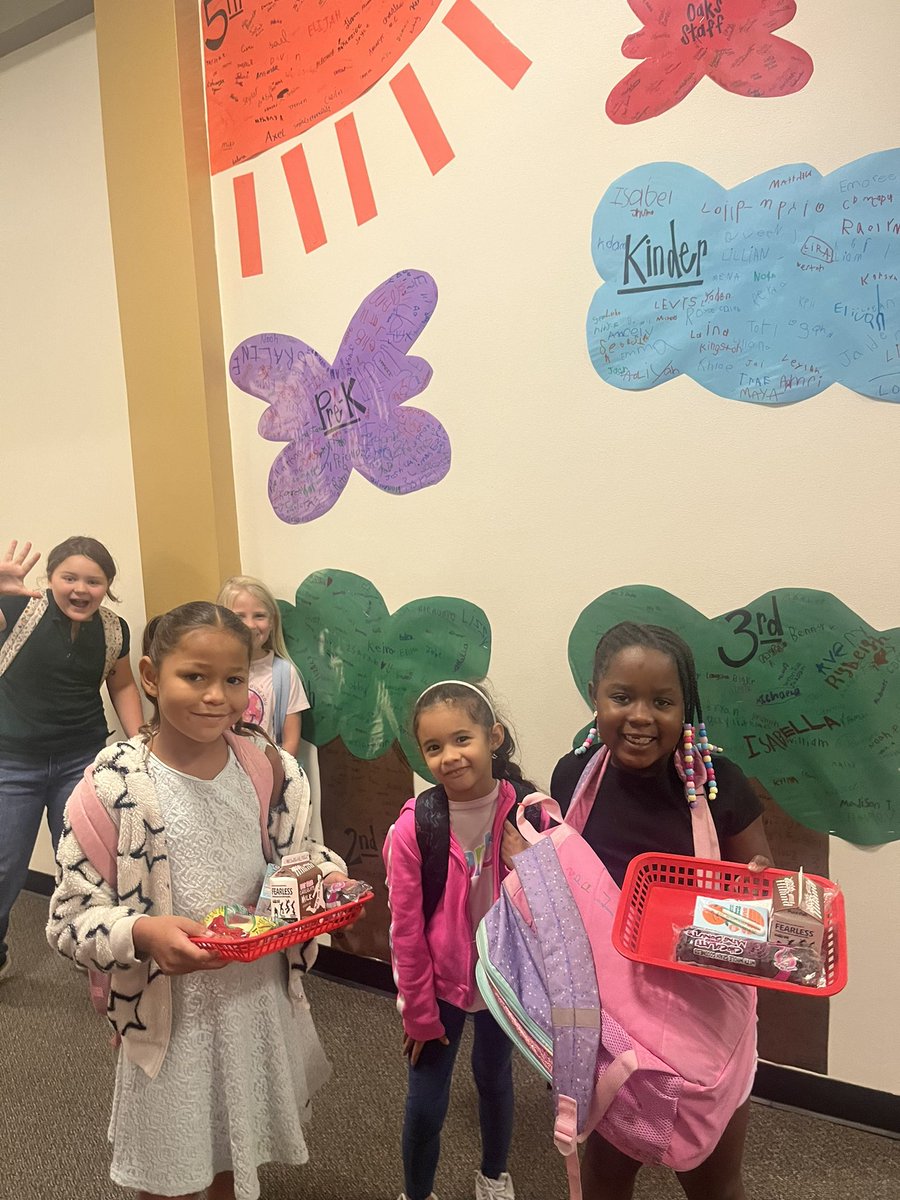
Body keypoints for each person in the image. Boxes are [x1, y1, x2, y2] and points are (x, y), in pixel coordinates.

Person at [47, 601, 350, 1200]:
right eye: (195, 676)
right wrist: (142, 934)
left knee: (234, 1160)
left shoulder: (270, 769)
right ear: (152, 677)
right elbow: (67, 920)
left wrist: (320, 884)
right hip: (169, 1018)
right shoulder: (113, 789)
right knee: (168, 1172)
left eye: (233, 679)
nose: (218, 697)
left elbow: (300, 857)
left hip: (254, 1002)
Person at [540, 621, 772, 1200]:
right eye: (622, 697)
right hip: (613, 1026)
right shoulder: (574, 775)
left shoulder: (718, 785)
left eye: (662, 702)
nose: (641, 716)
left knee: (713, 1184)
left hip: (703, 1026)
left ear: (685, 707)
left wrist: (756, 884)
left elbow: (760, 885)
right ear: (596, 694)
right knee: (606, 1177)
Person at [383, 680, 543, 1200]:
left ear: (492, 737)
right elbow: (405, 931)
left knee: (495, 1078)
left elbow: (561, 905)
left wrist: (530, 860)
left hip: (504, 982)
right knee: (426, 1100)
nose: (449, 757)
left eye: (462, 739)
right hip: (441, 986)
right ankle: (417, 1191)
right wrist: (418, 1012)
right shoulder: (413, 830)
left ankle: (494, 1177)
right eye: (434, 747)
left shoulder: (532, 815)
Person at [0, 536, 142, 981]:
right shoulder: (16, 609)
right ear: (50, 579)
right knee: (5, 866)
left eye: (93, 581)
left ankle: (92, 947)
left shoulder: (115, 629)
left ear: (107, 586)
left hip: (81, 761)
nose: (80, 589)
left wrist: (140, 745)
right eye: (69, 577)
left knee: (87, 864)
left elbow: (120, 684)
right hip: (12, 762)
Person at [217, 575, 309, 756]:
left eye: (259, 616)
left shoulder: (284, 674)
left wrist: (278, 776)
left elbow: (291, 740)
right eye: (239, 617)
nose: (250, 625)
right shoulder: (214, 672)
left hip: (269, 773)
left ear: (272, 622)